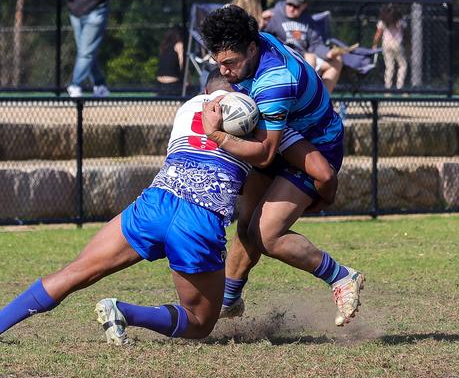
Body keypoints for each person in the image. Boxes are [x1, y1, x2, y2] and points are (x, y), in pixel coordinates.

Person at [0, 70, 338, 344]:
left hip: (156, 202)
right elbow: (303, 164)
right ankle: (125, 311)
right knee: (200, 323)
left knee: (74, 273)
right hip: (199, 219)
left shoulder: (188, 106)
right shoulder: (258, 117)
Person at [200, 5, 365, 327]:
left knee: (266, 234)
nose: (226, 72)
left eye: (230, 63)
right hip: (282, 138)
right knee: (246, 223)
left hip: (313, 146)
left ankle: (343, 276)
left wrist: (217, 134)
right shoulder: (255, 42)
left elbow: (263, 153)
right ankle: (229, 301)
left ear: (251, 48)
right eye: (219, 64)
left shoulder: (275, 81)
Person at [264, 0, 349, 93]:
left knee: (337, 61)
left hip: (304, 58)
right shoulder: (274, 15)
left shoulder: (308, 21)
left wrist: (328, 53)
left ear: (304, 6)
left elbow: (316, 45)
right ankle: (307, 98)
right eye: (289, 4)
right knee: (310, 58)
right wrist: (261, 22)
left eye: (296, 6)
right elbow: (262, 36)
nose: (291, 8)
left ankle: (323, 100)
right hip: (284, 56)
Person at [372, 4, 408, 90]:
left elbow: (378, 34)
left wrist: (374, 44)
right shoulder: (400, 21)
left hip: (386, 44)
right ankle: (400, 86)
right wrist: (407, 44)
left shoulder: (383, 22)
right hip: (397, 44)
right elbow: (406, 33)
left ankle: (388, 86)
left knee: (389, 66)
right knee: (403, 65)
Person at [156, 26, 184, 96]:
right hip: (173, 84)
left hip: (159, 83)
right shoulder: (179, 45)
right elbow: (182, 64)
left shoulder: (164, 46)